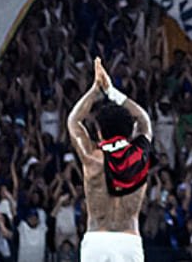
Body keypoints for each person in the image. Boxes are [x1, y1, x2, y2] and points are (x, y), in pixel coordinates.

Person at [67, 57, 154, 262]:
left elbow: (74, 120)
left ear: (98, 132)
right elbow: (144, 120)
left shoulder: (92, 158)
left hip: (97, 241)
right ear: (130, 131)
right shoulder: (138, 156)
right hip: (128, 241)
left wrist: (96, 89)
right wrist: (113, 92)